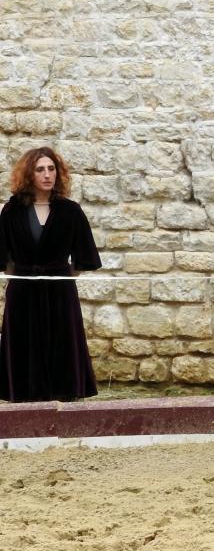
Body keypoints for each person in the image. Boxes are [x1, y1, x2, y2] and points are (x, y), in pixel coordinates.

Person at [0, 146, 102, 402]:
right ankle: (24, 396)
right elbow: (6, 258)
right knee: (24, 344)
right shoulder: (11, 212)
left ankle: (64, 395)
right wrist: (24, 276)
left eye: (51, 168)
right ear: (28, 174)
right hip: (22, 290)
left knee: (62, 344)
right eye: (40, 169)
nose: (47, 175)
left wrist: (62, 279)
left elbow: (82, 258)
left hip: (60, 290)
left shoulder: (70, 211)